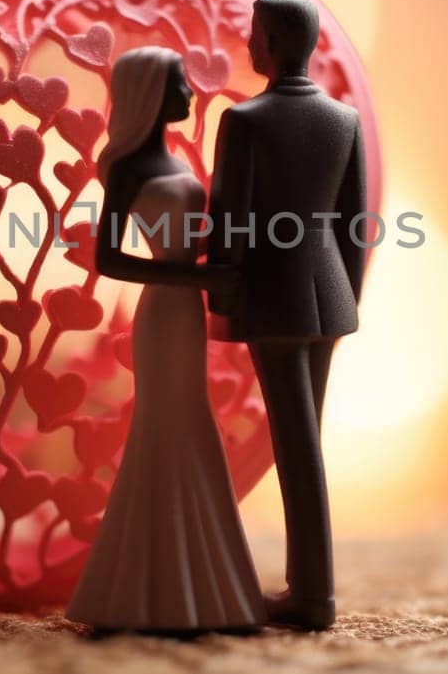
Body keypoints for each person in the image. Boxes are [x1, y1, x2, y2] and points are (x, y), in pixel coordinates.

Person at [64, 46, 264, 634]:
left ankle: (193, 586)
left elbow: (181, 239)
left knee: (190, 428)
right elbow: (112, 259)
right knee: (165, 430)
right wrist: (199, 275)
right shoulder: (125, 169)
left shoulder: (171, 158)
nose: (189, 94)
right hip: (163, 315)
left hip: (187, 314)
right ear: (149, 94)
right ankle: (154, 588)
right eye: (178, 85)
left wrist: (221, 257)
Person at [206, 0, 366, 631]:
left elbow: (232, 223)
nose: (248, 45)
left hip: (273, 296)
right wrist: (344, 296)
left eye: (254, 34)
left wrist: (223, 297)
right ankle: (308, 584)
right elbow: (355, 226)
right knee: (305, 442)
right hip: (328, 296)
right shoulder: (343, 121)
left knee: (295, 444)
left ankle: (313, 594)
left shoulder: (246, 122)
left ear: (272, 44)